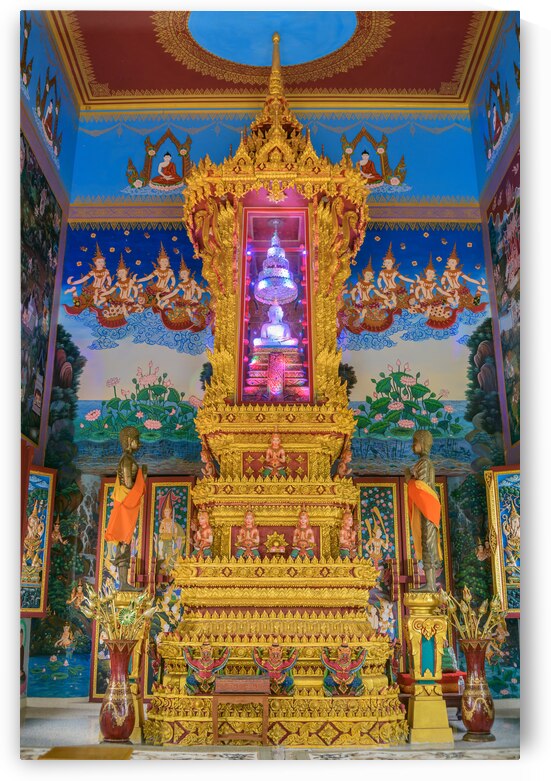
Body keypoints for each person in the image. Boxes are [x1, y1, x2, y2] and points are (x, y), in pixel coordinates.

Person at [404, 430, 442, 592]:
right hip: (424, 507)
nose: (413, 445)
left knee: (428, 543)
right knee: (426, 542)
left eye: (415, 442)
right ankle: (430, 583)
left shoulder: (425, 463)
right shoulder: (422, 462)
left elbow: (421, 488)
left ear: (423, 443)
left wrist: (408, 479)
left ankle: (431, 584)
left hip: (427, 508)